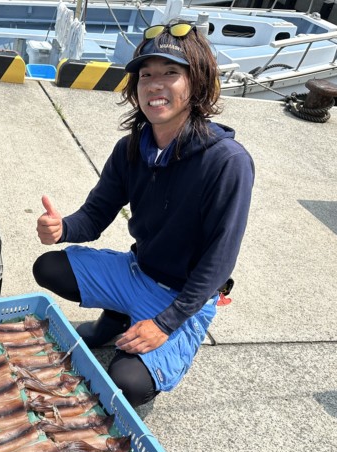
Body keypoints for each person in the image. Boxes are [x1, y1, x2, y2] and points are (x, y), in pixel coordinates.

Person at [33, 20, 254, 407]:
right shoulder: (131, 148)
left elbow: (218, 263)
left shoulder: (227, 162)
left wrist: (165, 324)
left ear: (197, 83)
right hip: (138, 271)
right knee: (48, 267)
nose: (155, 85)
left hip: (182, 297)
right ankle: (119, 315)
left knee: (127, 384)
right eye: (146, 75)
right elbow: (96, 215)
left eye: (170, 73)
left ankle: (147, 327)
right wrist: (62, 227)